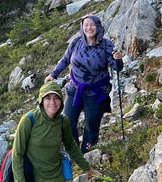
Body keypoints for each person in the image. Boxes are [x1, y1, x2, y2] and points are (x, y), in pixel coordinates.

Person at [44, 14, 123, 153]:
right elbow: (65, 59)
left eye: (92, 25)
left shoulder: (106, 45)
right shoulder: (76, 42)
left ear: (98, 27)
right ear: (82, 27)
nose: (89, 28)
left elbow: (117, 68)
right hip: (74, 88)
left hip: (96, 91)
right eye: (85, 25)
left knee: (91, 125)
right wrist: (53, 74)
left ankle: (87, 154)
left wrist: (118, 59)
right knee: (67, 122)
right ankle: (73, 153)